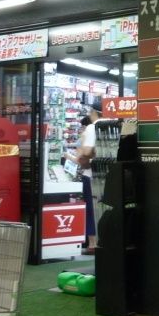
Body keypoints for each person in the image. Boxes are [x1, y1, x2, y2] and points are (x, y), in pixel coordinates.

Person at [69, 106, 99, 253]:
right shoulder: (114, 125)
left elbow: (85, 152)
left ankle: (92, 243)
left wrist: (78, 154)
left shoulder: (92, 128)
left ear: (94, 113)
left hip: (90, 174)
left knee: (90, 209)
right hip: (104, 174)